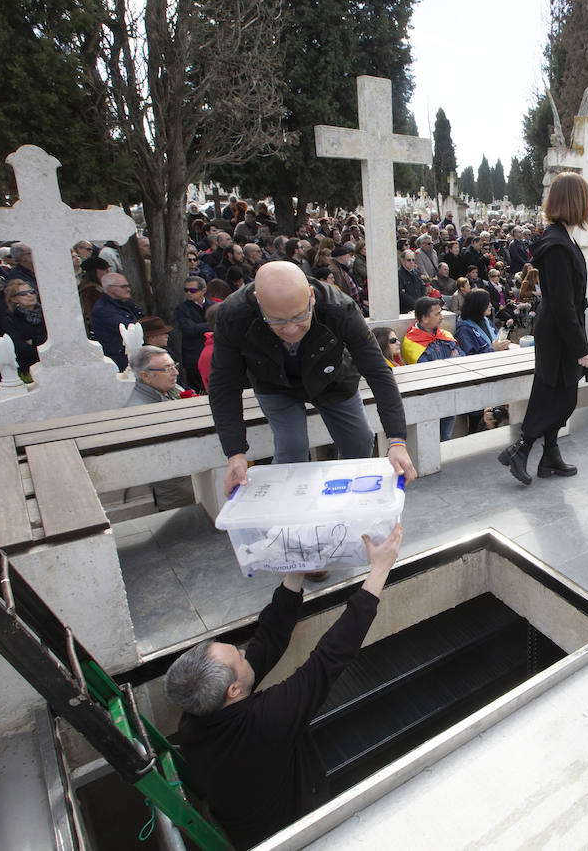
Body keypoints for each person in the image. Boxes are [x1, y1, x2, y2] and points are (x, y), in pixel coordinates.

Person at [164, 524, 401, 848]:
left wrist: (295, 572)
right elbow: (328, 659)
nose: (246, 652)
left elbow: (267, 640)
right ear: (233, 690)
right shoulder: (265, 721)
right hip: (291, 833)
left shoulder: (198, 713)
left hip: (246, 819)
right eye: (239, 656)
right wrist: (379, 570)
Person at [207, 262, 415, 499]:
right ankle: (289, 508)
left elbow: (377, 371)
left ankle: (343, 497)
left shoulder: (339, 307)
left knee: (359, 440)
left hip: (332, 377)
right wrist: (235, 453)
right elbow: (224, 385)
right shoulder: (233, 315)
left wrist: (397, 440)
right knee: (291, 446)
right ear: (258, 301)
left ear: (311, 297)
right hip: (273, 381)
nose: (291, 330)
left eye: (299, 316)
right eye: (276, 321)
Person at [497, 172, 588, 485]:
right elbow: (563, 303)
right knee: (561, 397)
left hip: (559, 330)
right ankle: (521, 449)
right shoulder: (556, 245)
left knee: (553, 391)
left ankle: (550, 455)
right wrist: (582, 349)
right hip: (558, 333)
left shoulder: (561, 239)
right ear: (576, 202)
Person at [401, 296, 464, 441]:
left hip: (448, 394)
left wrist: (446, 361)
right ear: (424, 318)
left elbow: (463, 357)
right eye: (437, 314)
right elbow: (427, 370)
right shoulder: (412, 341)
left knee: (445, 438)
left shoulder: (444, 335)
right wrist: (452, 359)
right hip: (427, 400)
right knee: (428, 442)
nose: (441, 317)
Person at [91, 272, 144, 370]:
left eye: (128, 286)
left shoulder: (124, 302)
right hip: (121, 359)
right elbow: (130, 328)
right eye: (123, 287)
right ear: (110, 289)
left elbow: (141, 318)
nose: (128, 289)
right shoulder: (103, 309)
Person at [2, 279, 46, 377]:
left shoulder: (47, 313)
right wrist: (45, 346)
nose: (29, 295)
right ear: (13, 299)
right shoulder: (10, 319)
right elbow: (20, 348)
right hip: (28, 369)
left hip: (52, 363)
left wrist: (34, 341)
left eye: (32, 292)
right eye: (23, 294)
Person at [174, 275, 210, 392]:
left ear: (203, 290)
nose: (188, 293)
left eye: (192, 290)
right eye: (186, 290)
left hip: (212, 354)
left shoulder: (213, 305)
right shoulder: (182, 309)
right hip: (193, 357)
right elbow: (190, 329)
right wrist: (212, 324)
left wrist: (200, 327)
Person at [455, 289, 511, 356]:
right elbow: (470, 357)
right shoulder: (464, 330)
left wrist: (503, 345)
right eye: (487, 303)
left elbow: (497, 339)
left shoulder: (486, 321)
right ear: (478, 306)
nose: (490, 305)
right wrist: (492, 350)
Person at [396, 247, 425, 313]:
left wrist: (422, 303)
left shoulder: (417, 272)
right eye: (408, 260)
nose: (411, 262)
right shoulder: (398, 274)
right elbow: (402, 293)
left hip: (419, 307)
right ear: (402, 260)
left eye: (413, 260)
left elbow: (422, 287)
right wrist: (416, 305)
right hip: (406, 309)